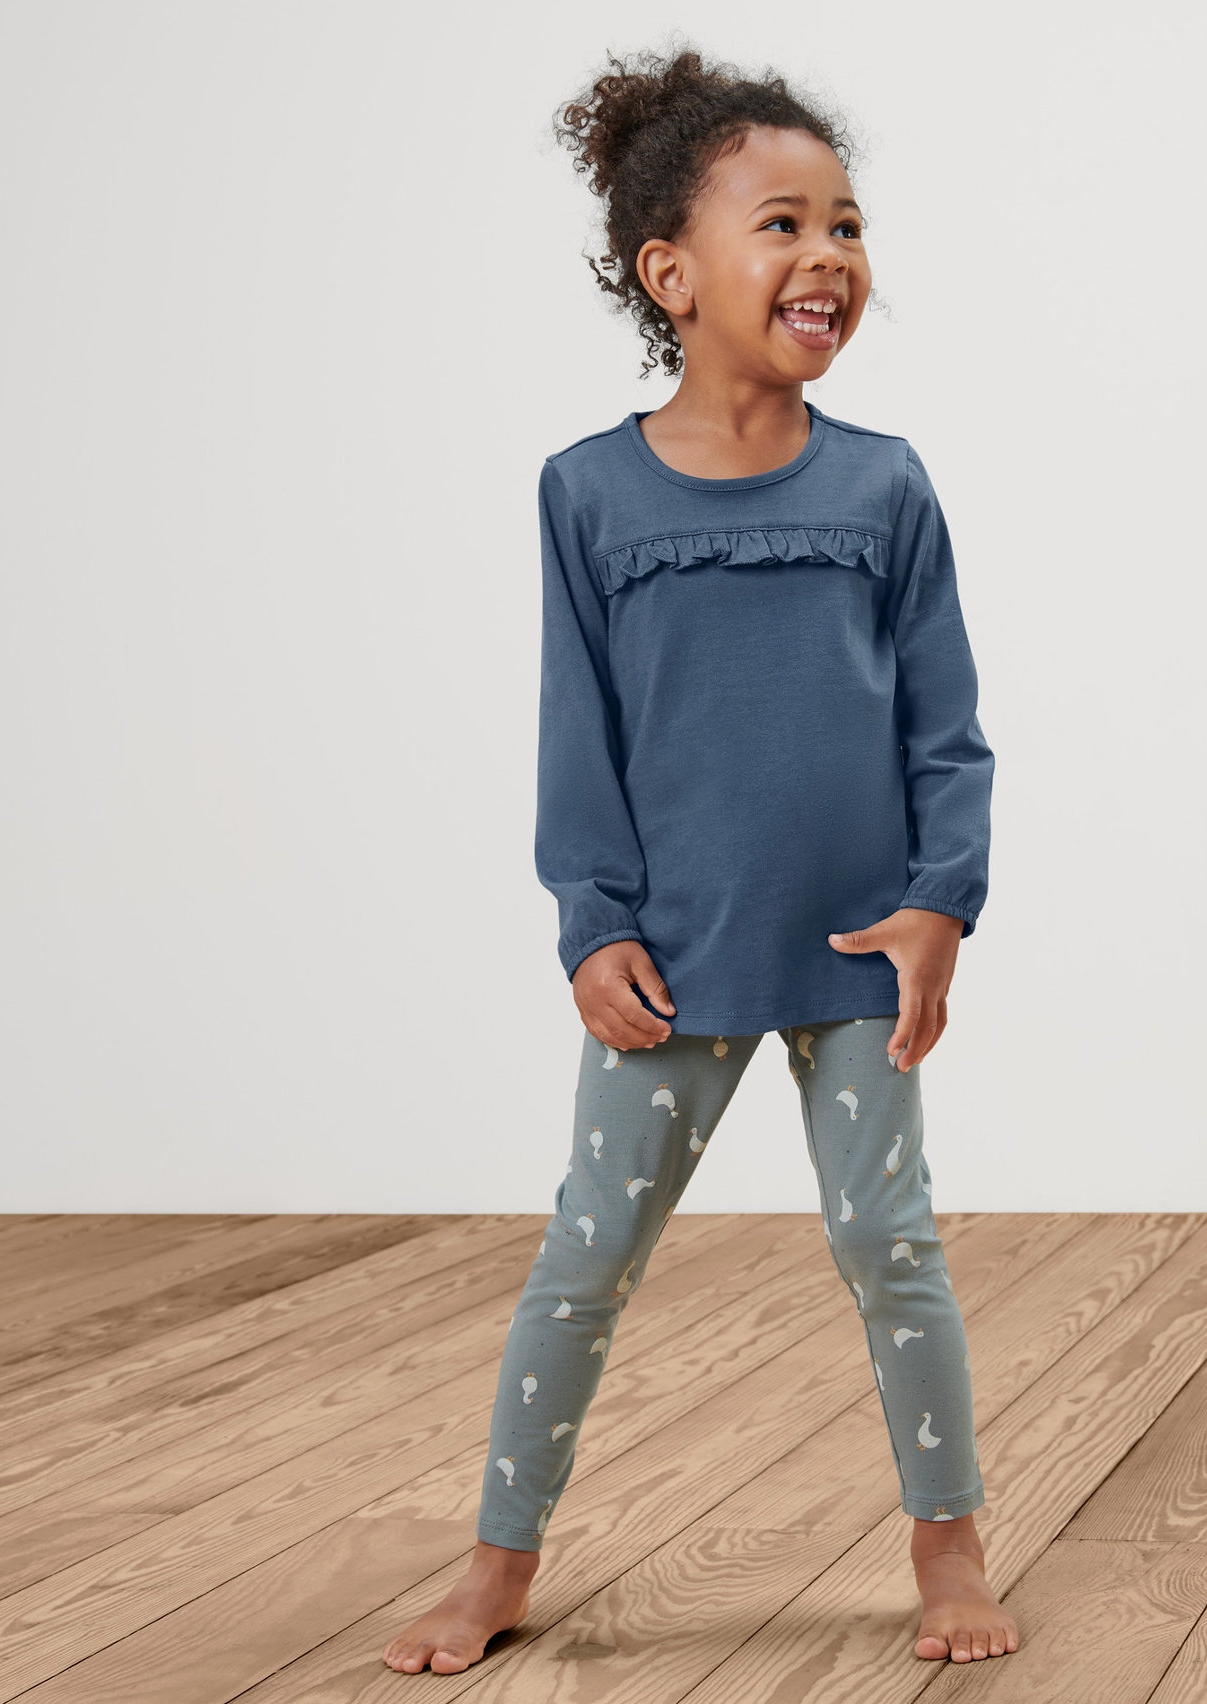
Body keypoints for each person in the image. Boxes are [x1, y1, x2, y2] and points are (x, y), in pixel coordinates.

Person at [383, 42, 1013, 1675]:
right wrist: (592, 924)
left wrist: (943, 900)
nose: (830, 257)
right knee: (591, 1251)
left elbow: (947, 725)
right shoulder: (586, 494)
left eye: (851, 224)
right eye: (784, 224)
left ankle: (950, 1551)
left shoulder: (886, 486)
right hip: (675, 953)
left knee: (892, 1244)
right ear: (672, 271)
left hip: (862, 948)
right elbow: (571, 727)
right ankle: (499, 1562)